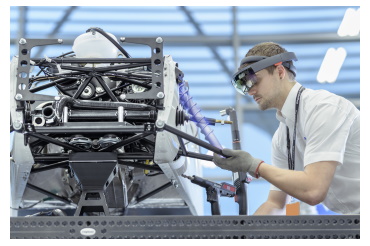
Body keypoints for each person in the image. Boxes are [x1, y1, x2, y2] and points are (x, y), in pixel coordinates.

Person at [213, 42, 360, 215]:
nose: (251, 91)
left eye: (255, 81)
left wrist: (254, 165)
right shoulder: (282, 137)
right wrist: (241, 236)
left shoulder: (324, 108)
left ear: (280, 71)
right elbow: (275, 204)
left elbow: (314, 190)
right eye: (245, 87)